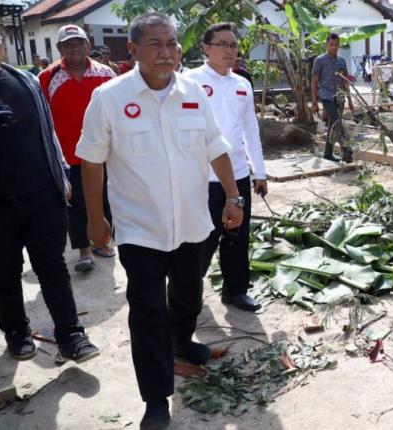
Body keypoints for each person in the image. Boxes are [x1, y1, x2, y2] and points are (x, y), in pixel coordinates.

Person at [76, 13, 242, 430]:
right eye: (155, 43)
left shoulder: (192, 93)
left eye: (172, 43)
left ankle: (183, 341)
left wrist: (234, 196)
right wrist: (95, 220)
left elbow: (215, 146)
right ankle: (155, 398)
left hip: (191, 223)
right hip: (139, 229)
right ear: (131, 50)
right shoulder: (109, 98)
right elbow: (91, 163)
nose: (166, 52)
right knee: (147, 312)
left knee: (188, 295)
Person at [0, 28, 100, 364]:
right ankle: (17, 333)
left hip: (41, 194)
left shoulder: (24, 80)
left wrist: (61, 173)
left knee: (53, 267)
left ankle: (71, 336)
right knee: (4, 271)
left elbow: (48, 130)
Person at [184, 22, 266, 312]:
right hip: (202, 177)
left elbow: (251, 131)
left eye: (233, 45)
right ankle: (187, 289)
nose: (230, 51)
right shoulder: (189, 81)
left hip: (239, 175)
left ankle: (235, 290)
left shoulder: (242, 84)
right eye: (223, 44)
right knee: (202, 238)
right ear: (206, 48)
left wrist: (259, 172)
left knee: (237, 236)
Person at [38, 24, 117, 273]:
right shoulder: (48, 77)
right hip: (69, 155)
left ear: (88, 45)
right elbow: (42, 118)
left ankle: (102, 243)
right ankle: (84, 251)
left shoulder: (107, 73)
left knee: (106, 199)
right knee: (77, 203)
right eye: (68, 44)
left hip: (105, 153)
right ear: (60, 49)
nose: (74, 48)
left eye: (79, 43)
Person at [310, 33, 355, 162]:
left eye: (336, 45)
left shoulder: (342, 61)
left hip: (340, 97)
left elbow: (345, 82)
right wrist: (314, 102)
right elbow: (313, 82)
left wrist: (350, 101)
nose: (334, 47)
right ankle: (346, 149)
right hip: (326, 96)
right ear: (327, 45)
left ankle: (328, 154)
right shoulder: (319, 61)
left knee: (332, 126)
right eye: (331, 44)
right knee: (336, 121)